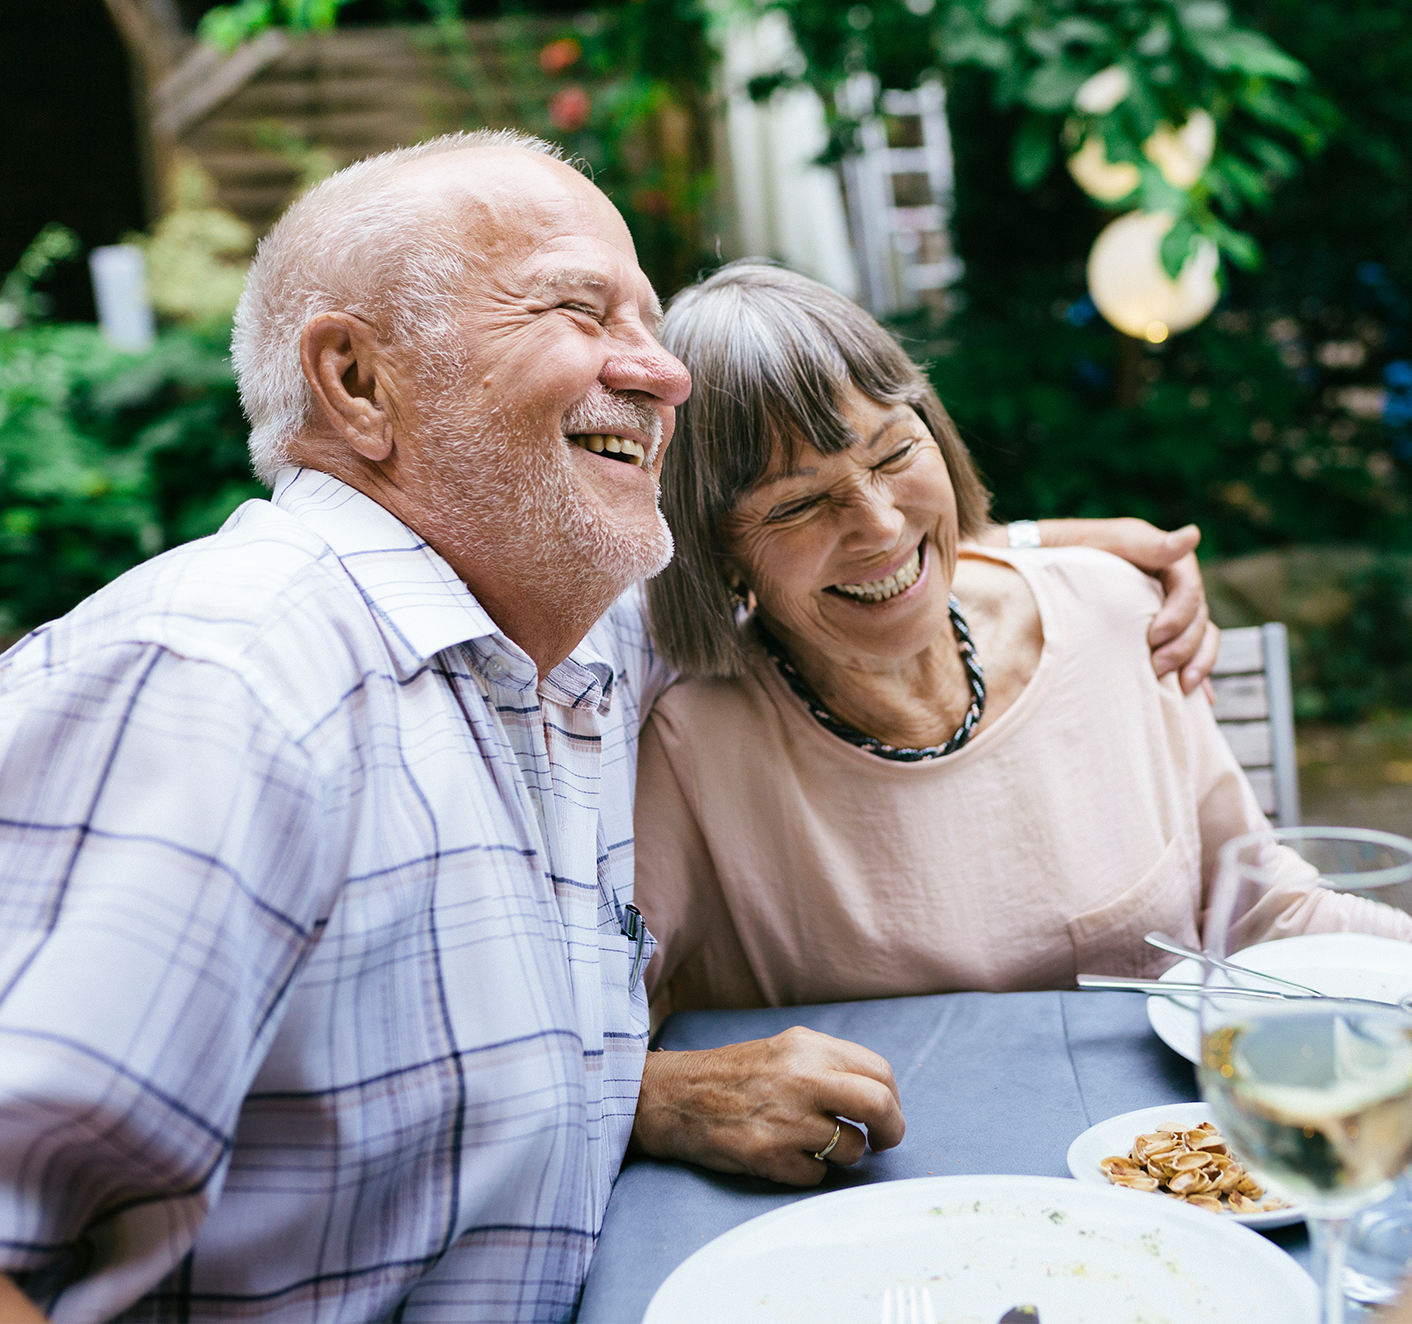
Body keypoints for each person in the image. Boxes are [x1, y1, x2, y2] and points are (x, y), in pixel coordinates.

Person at [0, 138, 1214, 1324]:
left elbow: (811, 554)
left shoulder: (565, 643)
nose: (665, 373)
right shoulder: (224, 685)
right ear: (357, 382)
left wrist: (1051, 553)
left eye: (646, 321)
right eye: (579, 313)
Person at [635, 261, 1412, 1027]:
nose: (878, 525)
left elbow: (1264, 910)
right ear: (716, 548)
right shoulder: (694, 749)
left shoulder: (1115, 615)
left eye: (895, 454)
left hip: (1166, 1149)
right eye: (799, 504)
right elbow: (611, 1024)